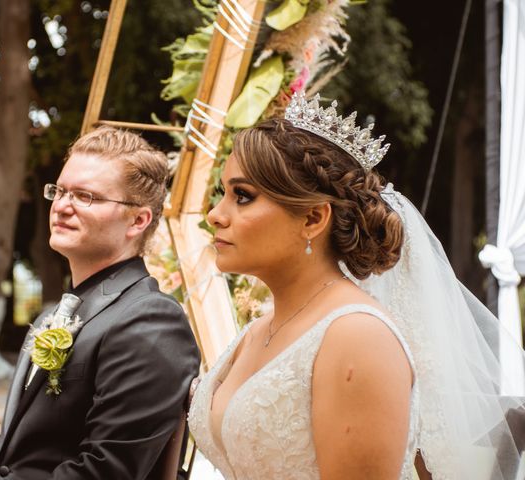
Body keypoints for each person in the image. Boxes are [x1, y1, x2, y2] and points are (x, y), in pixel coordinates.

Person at [188, 93, 525, 479]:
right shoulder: (260, 330)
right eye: (223, 194)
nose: (216, 214)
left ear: (313, 218)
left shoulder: (357, 337)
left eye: (242, 197)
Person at [0, 126, 200, 479]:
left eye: (86, 196)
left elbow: (104, 471)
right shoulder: (57, 314)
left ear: (138, 220)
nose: (62, 206)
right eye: (60, 191)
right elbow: (7, 449)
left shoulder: (151, 321)